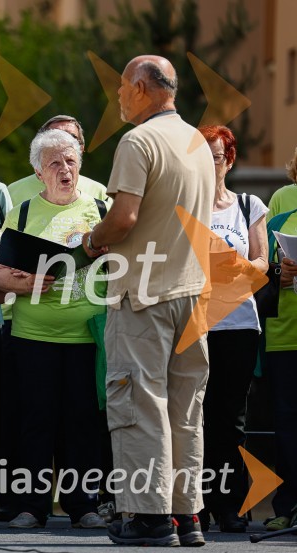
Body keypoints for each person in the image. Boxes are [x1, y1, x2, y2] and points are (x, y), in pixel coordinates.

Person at [80, 55, 214, 547]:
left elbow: (124, 219)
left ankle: (148, 517)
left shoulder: (138, 141)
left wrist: (92, 241)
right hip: (194, 294)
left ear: (140, 87)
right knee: (185, 409)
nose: (116, 94)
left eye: (120, 85)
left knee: (140, 404)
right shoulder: (199, 140)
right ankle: (188, 517)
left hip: (144, 294)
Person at [0, 130, 107, 530]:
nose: (65, 169)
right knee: (35, 421)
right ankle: (31, 506)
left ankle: (84, 505)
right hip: (32, 335)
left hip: (87, 335)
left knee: (83, 421)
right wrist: (23, 282)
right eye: (55, 163)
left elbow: (130, 261)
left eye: (71, 161)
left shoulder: (101, 209)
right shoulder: (21, 213)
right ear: (39, 171)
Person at [197, 125, 267, 533]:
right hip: (193, 323)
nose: (211, 163)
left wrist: (234, 268)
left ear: (230, 159)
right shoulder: (181, 206)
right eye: (203, 157)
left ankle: (231, 506)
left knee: (230, 419)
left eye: (217, 156)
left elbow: (262, 263)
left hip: (239, 324)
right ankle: (197, 505)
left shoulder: (248, 204)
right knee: (194, 418)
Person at [260, 147, 297, 532]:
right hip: (285, 330)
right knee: (286, 425)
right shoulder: (282, 198)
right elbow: (266, 259)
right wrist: (279, 272)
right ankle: (286, 507)